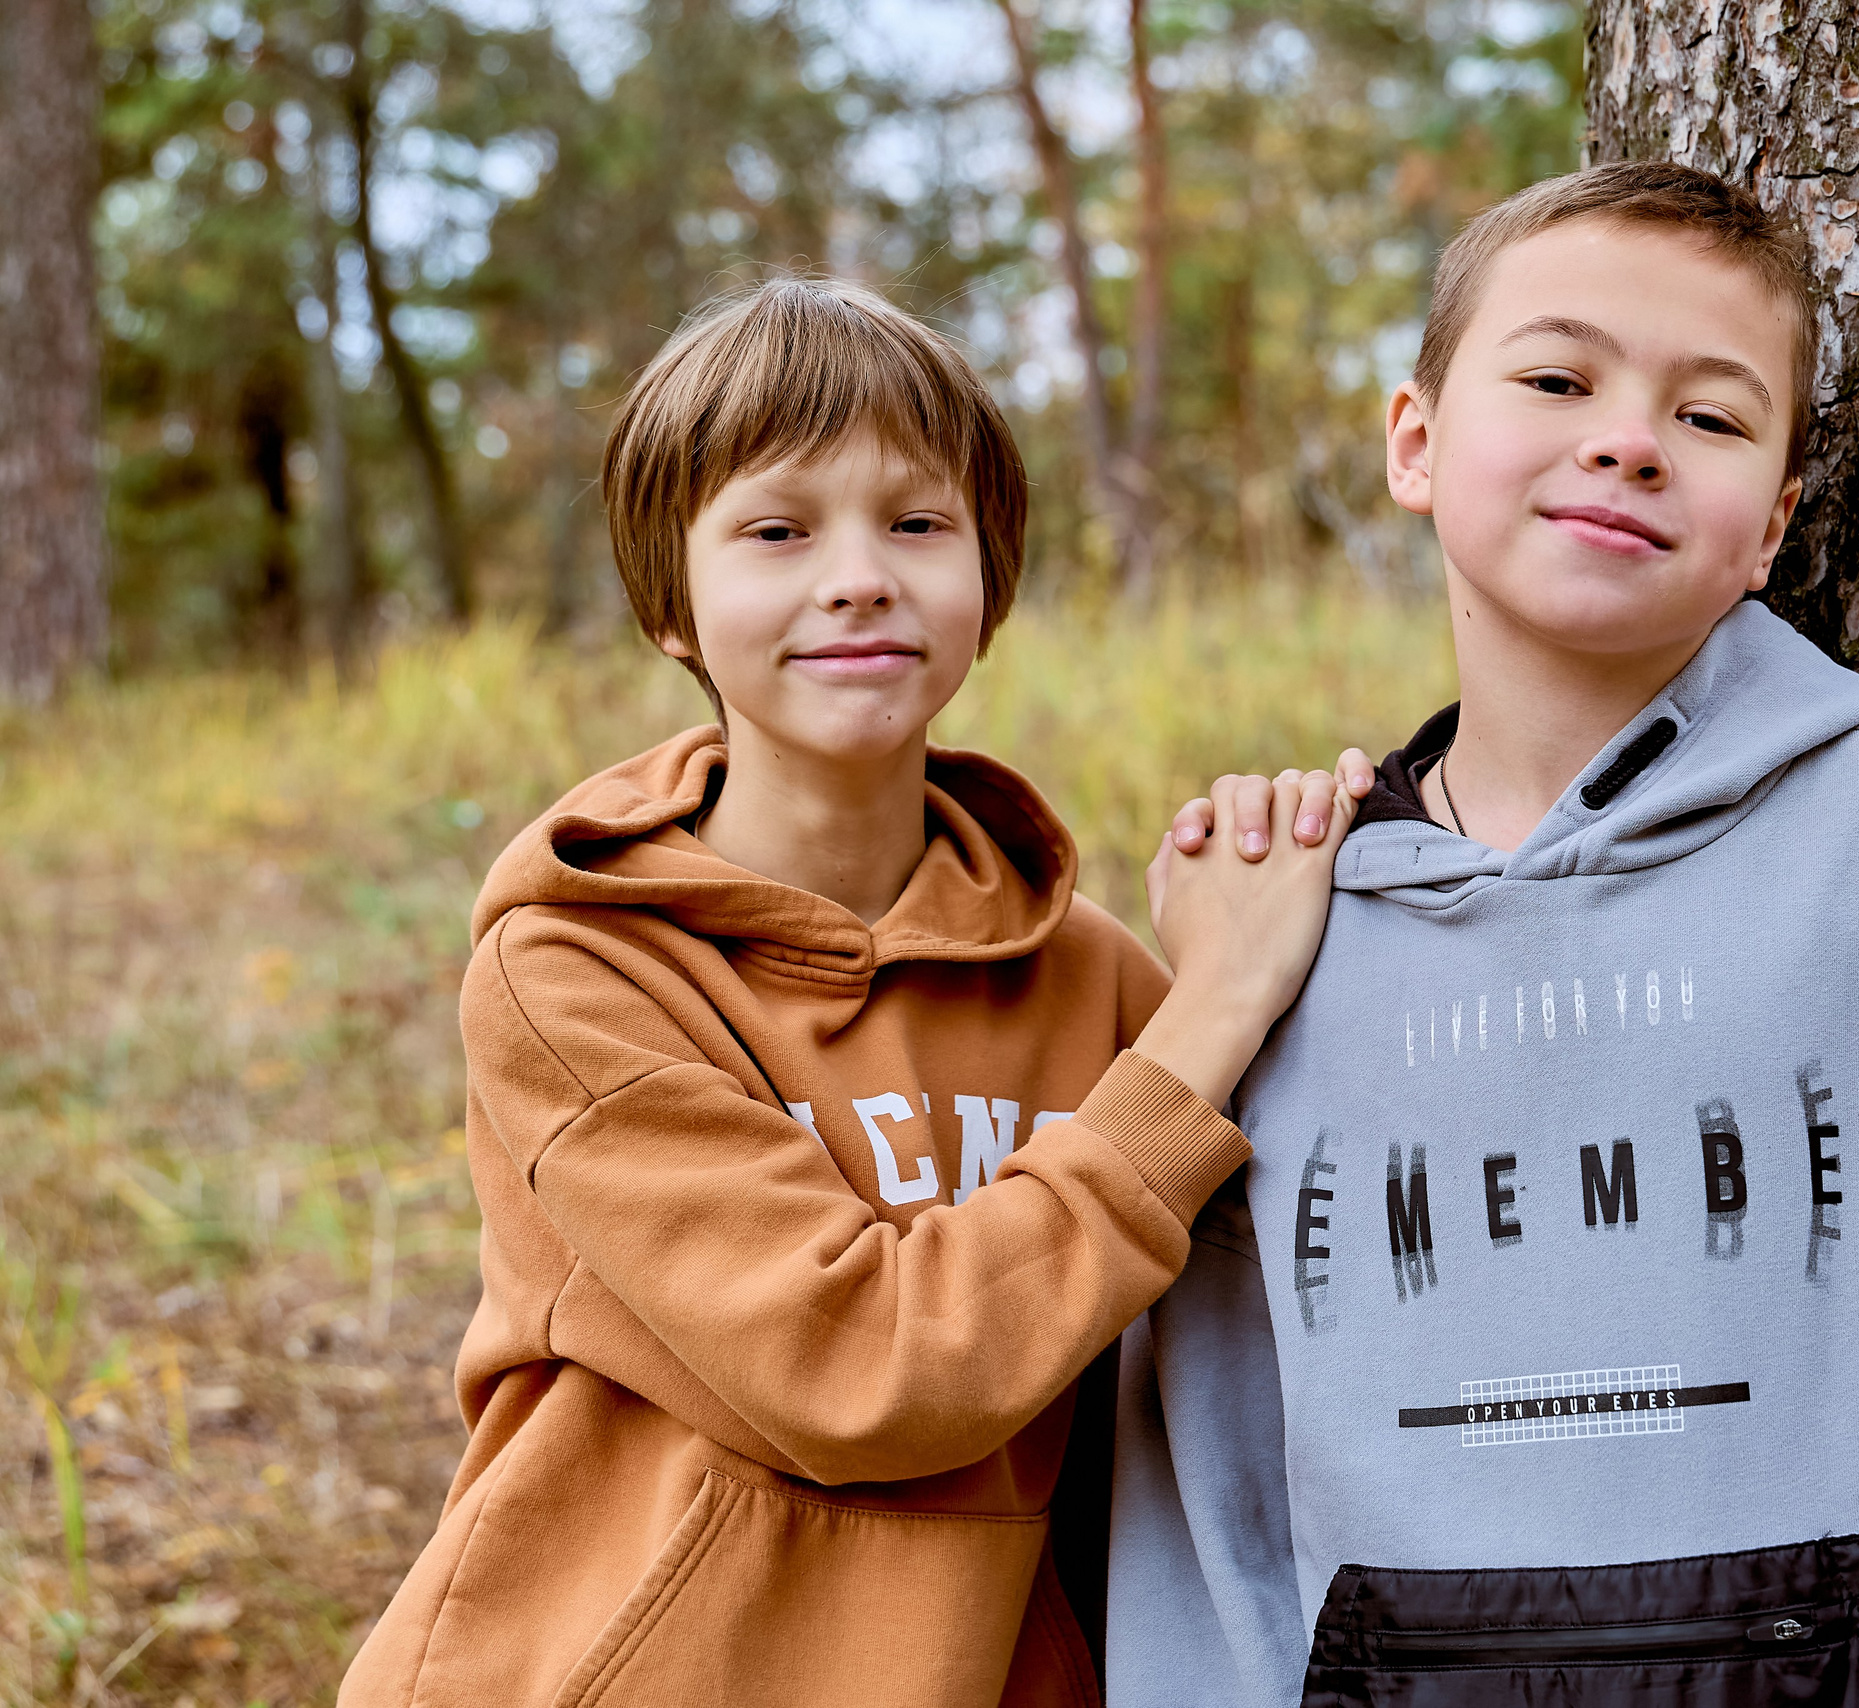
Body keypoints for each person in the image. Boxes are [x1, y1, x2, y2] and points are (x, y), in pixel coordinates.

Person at [1110, 160, 1859, 1707]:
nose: (1629, 440)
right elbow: (1205, 1489)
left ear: (1773, 527)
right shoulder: (1285, 930)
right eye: (1557, 379)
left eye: (1712, 416)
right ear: (1416, 441)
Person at [338, 275, 1360, 1708]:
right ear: (671, 603)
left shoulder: (1088, 977)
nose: (860, 575)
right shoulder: (579, 975)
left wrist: (1333, 874)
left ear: (989, 579)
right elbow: (862, 1371)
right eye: (778, 530)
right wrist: (1217, 1006)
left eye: (919, 523)